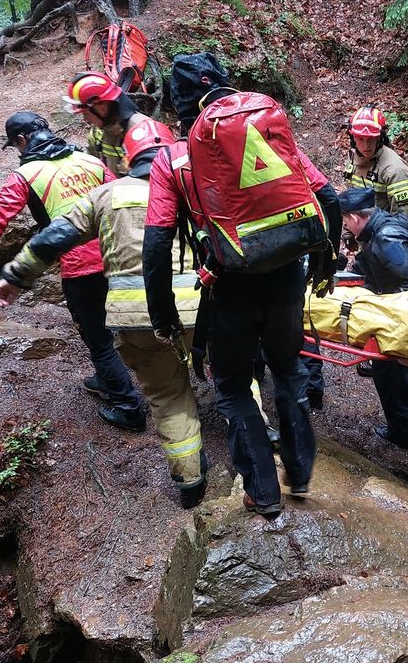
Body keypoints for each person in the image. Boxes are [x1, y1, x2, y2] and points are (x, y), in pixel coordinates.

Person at [143, 55, 342, 519]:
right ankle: (300, 474)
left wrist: (164, 316)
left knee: (232, 386)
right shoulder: (264, 131)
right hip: (287, 277)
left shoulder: (172, 158)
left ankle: (263, 492)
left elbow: (155, 245)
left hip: (229, 284)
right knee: (287, 370)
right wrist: (325, 262)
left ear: (178, 105)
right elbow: (327, 197)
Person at [0, 117, 208, 508]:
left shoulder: (107, 194)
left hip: (134, 319)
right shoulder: (194, 185)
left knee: (168, 396)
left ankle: (191, 483)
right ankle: (258, 460)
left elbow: (55, 235)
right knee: (236, 384)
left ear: (128, 156)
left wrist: (14, 276)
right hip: (200, 310)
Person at [0, 111, 144, 430]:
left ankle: (128, 407)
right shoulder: (89, 161)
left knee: (97, 337)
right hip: (119, 253)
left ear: (21, 141)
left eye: (15, 146)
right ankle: (108, 378)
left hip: (80, 264)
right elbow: (126, 196)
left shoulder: (27, 174)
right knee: (121, 324)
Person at [339, 186, 408, 494]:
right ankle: (400, 433)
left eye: (346, 221)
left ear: (355, 217)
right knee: (386, 376)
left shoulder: (386, 239)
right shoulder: (379, 231)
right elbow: (371, 268)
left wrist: (377, 307)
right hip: (400, 320)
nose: (346, 227)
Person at [66, 70, 145, 177]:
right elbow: (91, 166)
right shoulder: (97, 132)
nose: (85, 119)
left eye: (85, 113)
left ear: (101, 108)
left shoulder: (142, 132)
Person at [343, 105, 408, 220]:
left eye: (371, 139)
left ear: (380, 138)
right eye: (361, 139)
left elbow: (403, 221)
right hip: (361, 231)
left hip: (384, 234)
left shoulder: (395, 170)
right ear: (353, 138)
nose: (366, 146)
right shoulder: (353, 157)